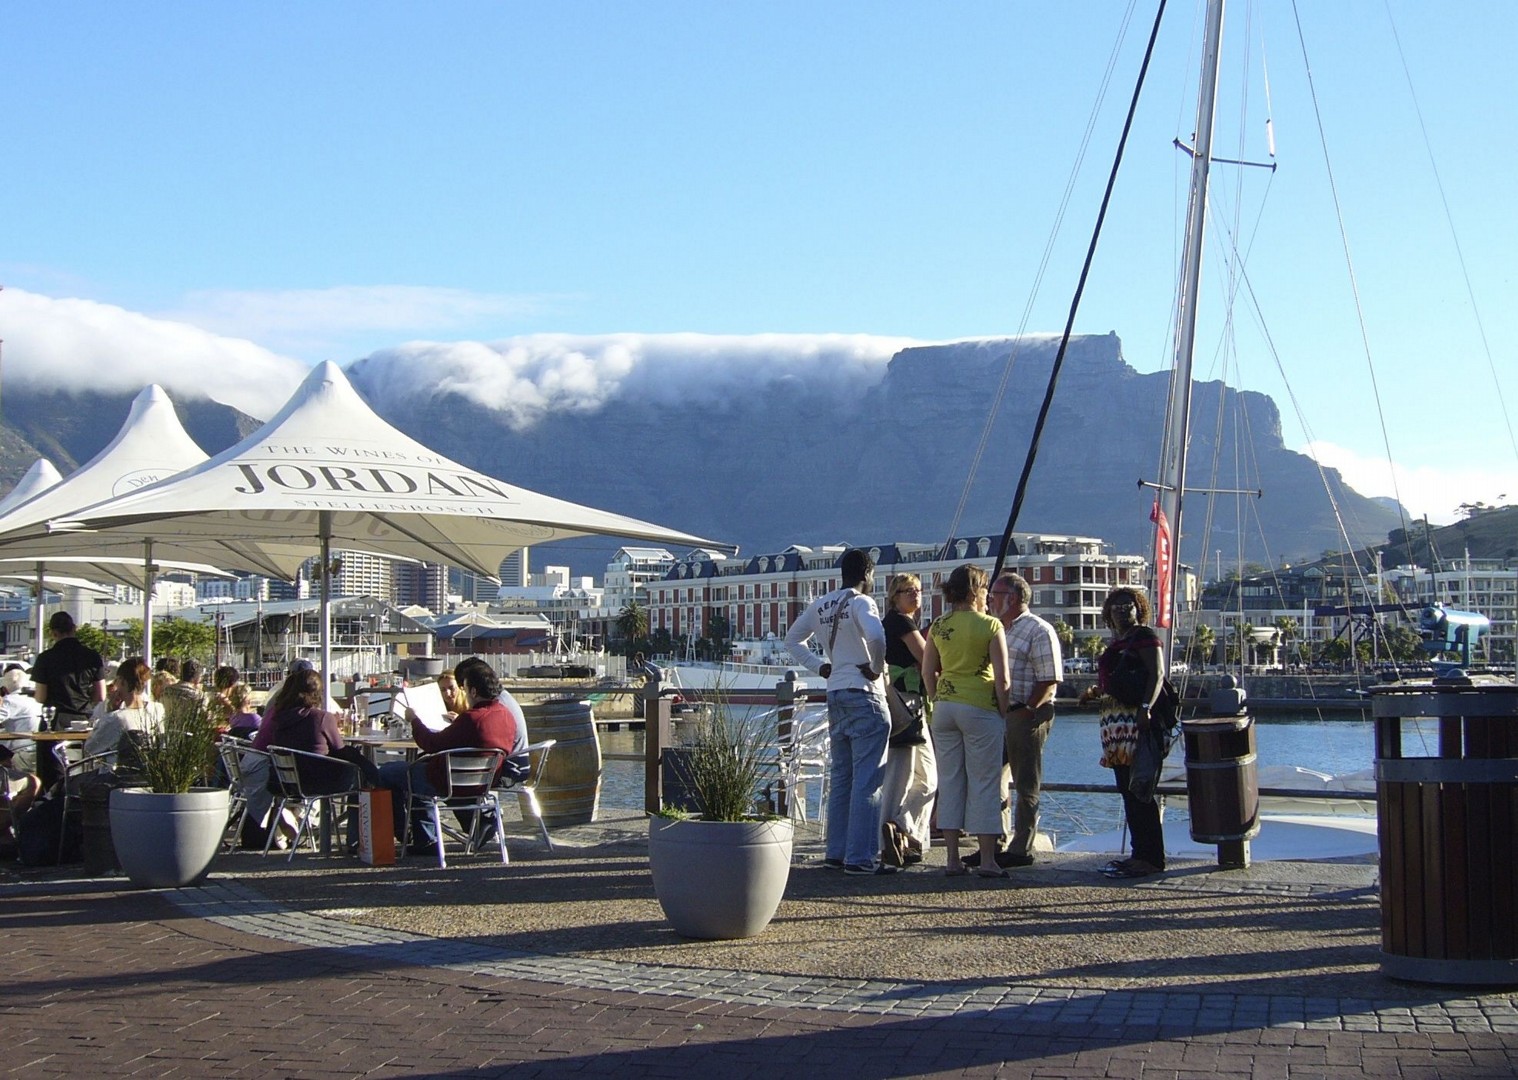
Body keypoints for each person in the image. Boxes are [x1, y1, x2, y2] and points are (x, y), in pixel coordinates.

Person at [784, 547, 895, 876]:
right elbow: (876, 636)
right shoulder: (862, 602)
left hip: (835, 693)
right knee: (868, 780)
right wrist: (876, 668)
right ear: (866, 575)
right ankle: (861, 857)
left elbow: (792, 640)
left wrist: (820, 667)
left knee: (842, 778)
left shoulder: (821, 605)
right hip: (864, 693)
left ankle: (836, 851)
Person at [378, 658, 528, 852]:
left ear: (473, 691)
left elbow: (431, 744)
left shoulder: (472, 718)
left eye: (464, 688)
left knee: (387, 772)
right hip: (481, 782)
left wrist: (414, 720)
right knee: (418, 772)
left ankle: (406, 834)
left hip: (447, 782)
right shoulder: (505, 715)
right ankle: (425, 837)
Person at [922, 564, 1010, 879]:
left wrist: (937, 698)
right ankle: (987, 860)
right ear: (975, 590)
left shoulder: (938, 625)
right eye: (985, 589)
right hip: (980, 708)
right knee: (984, 782)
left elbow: (927, 671)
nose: (987, 596)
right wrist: (1003, 710)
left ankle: (952, 859)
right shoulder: (991, 626)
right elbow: (1003, 679)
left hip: (945, 708)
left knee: (950, 781)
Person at [974, 571, 1063, 869]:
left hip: (1026, 714)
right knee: (989, 778)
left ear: (1011, 598)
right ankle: (992, 842)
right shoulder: (997, 629)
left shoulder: (1039, 630)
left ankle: (1021, 847)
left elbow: (1049, 679)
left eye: (995, 595)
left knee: (1026, 781)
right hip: (998, 714)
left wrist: (1027, 710)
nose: (989, 599)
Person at [1082, 586, 1167, 879]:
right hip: (1115, 727)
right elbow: (1115, 680)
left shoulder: (1144, 636)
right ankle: (1137, 853)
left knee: (1140, 789)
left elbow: (1157, 675)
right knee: (1127, 791)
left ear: (1138, 608)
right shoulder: (1118, 641)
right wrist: (1094, 692)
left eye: (1127, 605)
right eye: (1116, 606)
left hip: (1136, 724)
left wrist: (1146, 706)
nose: (1121, 610)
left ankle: (1152, 857)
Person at [878, 573, 936, 866]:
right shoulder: (901, 622)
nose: (914, 595)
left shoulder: (890, 623)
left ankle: (904, 834)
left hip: (903, 701)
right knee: (909, 776)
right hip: (907, 703)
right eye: (907, 591)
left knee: (920, 777)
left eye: (918, 590)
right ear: (894, 596)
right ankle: (897, 832)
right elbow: (927, 659)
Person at [31, 611, 106, 733]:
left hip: (55, 721)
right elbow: (101, 695)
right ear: (74, 628)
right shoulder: (92, 656)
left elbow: (40, 697)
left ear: (53, 633)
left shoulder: (45, 658)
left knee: (53, 751)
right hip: (84, 719)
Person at [82, 658, 164, 765]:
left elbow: (89, 749)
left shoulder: (116, 718)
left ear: (123, 682)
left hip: (116, 776)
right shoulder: (157, 709)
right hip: (150, 772)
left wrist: (110, 711)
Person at [0, 666, 44, 773]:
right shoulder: (36, 700)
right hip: (40, 750)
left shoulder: (10, 701)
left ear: (5, 689)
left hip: (24, 753)